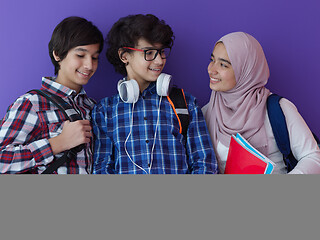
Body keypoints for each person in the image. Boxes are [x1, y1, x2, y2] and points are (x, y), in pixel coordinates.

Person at [92, 14, 218, 174]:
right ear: (124, 56)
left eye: (162, 52)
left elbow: (205, 164)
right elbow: (101, 169)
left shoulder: (186, 103)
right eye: (149, 52)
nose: (159, 61)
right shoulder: (105, 111)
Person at [202, 31, 320, 174]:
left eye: (223, 65)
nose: (211, 69)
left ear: (246, 70)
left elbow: (313, 156)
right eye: (212, 60)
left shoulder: (277, 109)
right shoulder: (206, 113)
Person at [0, 16, 104, 174]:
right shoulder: (33, 103)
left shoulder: (94, 107)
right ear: (58, 55)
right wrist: (58, 143)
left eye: (95, 57)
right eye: (80, 55)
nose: (89, 65)